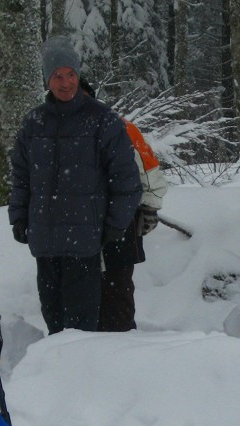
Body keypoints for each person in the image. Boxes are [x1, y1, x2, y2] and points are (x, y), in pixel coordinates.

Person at [8, 35, 142, 334]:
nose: (65, 82)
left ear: (79, 76)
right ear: (47, 80)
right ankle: (57, 378)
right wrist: (18, 217)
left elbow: (127, 180)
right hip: (45, 243)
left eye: (71, 74)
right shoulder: (34, 123)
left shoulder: (102, 120)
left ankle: (80, 379)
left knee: (81, 329)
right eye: (57, 75)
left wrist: (114, 224)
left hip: (85, 243)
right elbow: (21, 176)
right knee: (54, 321)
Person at [79, 77, 169, 332]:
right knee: (79, 295)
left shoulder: (121, 127)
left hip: (120, 222)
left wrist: (150, 206)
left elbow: (148, 168)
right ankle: (80, 351)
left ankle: (123, 348)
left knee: (117, 290)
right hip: (74, 228)